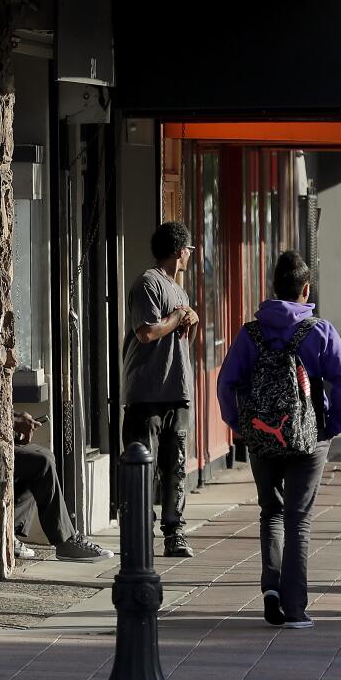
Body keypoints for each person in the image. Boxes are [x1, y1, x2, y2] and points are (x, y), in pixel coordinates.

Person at [217, 251, 341, 630]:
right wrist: (334, 425)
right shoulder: (320, 331)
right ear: (305, 289)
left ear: (274, 288)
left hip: (262, 435)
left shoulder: (250, 333)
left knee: (271, 512)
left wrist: (241, 424)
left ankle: (271, 590)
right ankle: (295, 609)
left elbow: (227, 383)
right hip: (309, 436)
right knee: (299, 518)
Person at [122, 221, 199, 557]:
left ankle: (174, 532)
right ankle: (140, 533)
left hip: (176, 389)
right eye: (189, 249)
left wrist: (189, 322)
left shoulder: (178, 289)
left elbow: (181, 341)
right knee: (143, 466)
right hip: (146, 392)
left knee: (176, 465)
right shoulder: (148, 283)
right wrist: (178, 316)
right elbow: (146, 332)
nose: (190, 255)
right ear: (179, 250)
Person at [12, 413, 113, 563]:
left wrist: (16, 417)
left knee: (43, 456)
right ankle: (64, 540)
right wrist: (14, 420)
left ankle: (10, 531)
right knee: (41, 462)